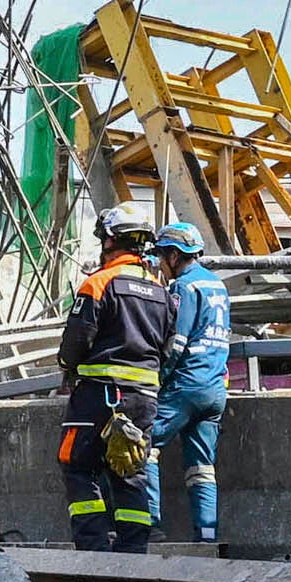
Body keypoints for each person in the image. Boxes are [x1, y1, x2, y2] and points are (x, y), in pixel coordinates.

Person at [62, 219, 177, 551]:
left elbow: (76, 342)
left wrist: (67, 367)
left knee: (78, 467)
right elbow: (167, 346)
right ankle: (132, 558)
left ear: (111, 241)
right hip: (144, 399)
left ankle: (94, 554)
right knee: (129, 471)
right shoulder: (161, 291)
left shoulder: (98, 284)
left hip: (99, 394)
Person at [157, 214, 234, 555]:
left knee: (141, 447)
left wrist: (157, 381)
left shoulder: (182, 287)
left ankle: (151, 528)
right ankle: (205, 536)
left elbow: (176, 343)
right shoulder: (217, 284)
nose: (160, 264)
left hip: (186, 384)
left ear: (174, 256)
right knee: (202, 467)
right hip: (215, 388)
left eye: (162, 256)